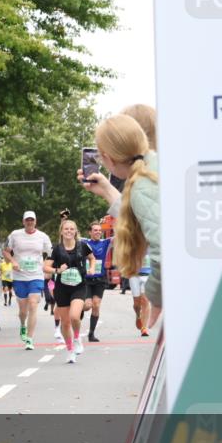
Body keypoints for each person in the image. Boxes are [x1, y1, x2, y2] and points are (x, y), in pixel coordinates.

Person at [78, 114, 160, 326]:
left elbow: (162, 249)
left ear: (107, 159)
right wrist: (106, 189)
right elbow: (139, 216)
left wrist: (155, 297)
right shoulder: (152, 169)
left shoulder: (142, 186)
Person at [44, 219, 95, 363]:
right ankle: (70, 349)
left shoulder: (83, 246)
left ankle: (77, 337)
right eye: (66, 229)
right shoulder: (56, 249)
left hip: (79, 286)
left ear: (76, 231)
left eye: (72, 229)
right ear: (61, 231)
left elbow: (92, 259)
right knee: (65, 323)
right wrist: (57, 270)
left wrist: (91, 268)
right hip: (62, 288)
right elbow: (45, 267)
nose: (69, 231)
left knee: (74, 316)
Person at [3, 211, 52, 350]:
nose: (30, 222)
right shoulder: (15, 235)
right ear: (23, 221)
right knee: (23, 310)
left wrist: (46, 265)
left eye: (32, 220)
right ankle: (23, 324)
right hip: (19, 276)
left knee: (33, 304)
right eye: (27, 220)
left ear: (35, 221)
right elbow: (6, 251)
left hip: (36, 275)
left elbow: (51, 253)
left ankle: (30, 339)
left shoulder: (43, 237)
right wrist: (13, 261)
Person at [82, 221, 112, 342]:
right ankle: (78, 311)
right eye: (95, 230)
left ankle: (91, 333)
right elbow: (69, 235)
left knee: (96, 304)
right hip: (87, 279)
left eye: (100, 230)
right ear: (90, 232)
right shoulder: (84, 242)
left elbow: (121, 234)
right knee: (87, 306)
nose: (98, 232)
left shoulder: (106, 243)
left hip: (100, 279)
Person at [130, 249, 153, 337]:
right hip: (134, 275)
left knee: (145, 300)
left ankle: (144, 328)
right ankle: (138, 315)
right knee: (136, 304)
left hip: (148, 275)